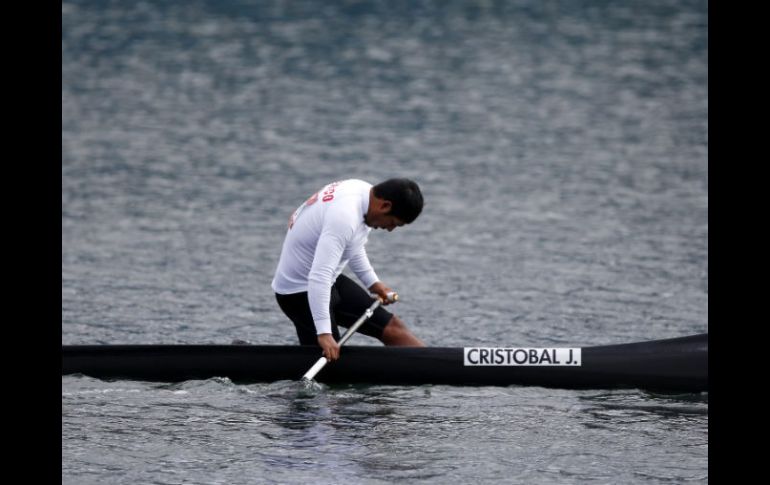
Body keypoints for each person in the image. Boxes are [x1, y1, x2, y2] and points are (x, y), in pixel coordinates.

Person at [272, 178, 426, 362]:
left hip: (329, 282)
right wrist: (323, 332)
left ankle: (436, 366)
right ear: (385, 206)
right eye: (393, 222)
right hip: (298, 294)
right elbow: (319, 275)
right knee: (332, 362)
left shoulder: (363, 194)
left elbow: (353, 245)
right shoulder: (344, 215)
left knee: (392, 328)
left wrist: (373, 283)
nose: (390, 229)